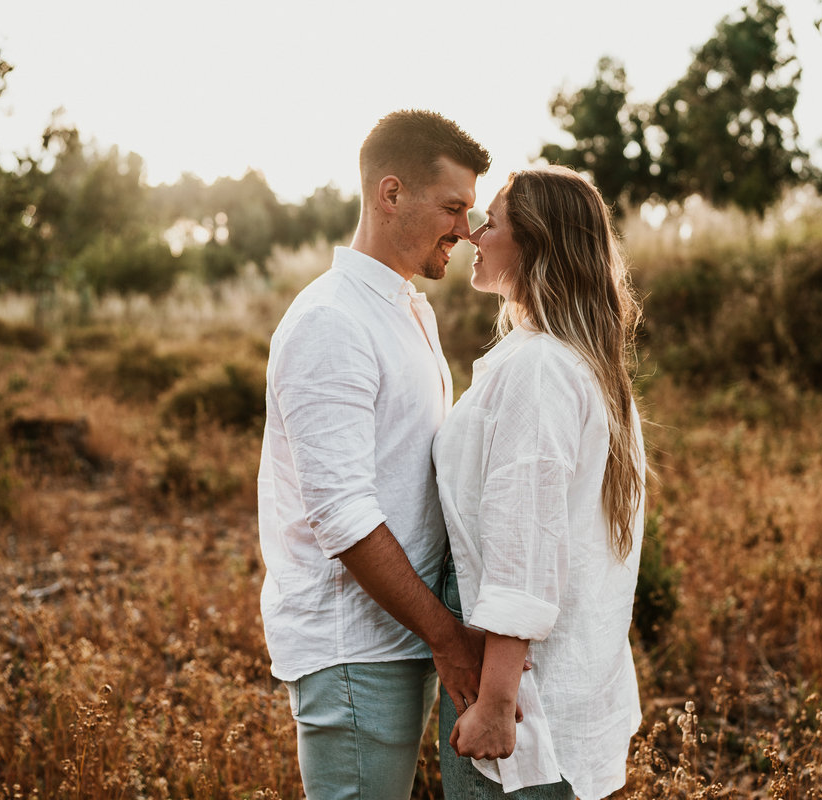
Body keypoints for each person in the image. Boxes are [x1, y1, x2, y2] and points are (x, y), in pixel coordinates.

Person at [257, 110, 492, 799]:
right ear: (391, 195)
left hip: (401, 635)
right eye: (453, 207)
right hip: (356, 648)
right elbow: (342, 514)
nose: (467, 231)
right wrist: (447, 638)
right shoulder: (332, 321)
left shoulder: (407, 308)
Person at [433, 165, 646, 799]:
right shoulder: (582, 362)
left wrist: (496, 700)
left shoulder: (542, 369)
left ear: (533, 245)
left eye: (490, 223)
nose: (474, 234)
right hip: (570, 692)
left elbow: (525, 544)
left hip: (525, 707)